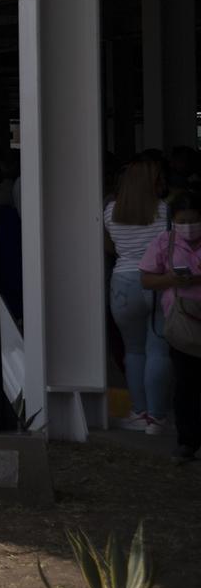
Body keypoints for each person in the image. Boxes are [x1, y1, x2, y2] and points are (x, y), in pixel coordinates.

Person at [106, 156, 172, 432]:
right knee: (158, 350)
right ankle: (156, 418)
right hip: (157, 281)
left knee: (133, 351)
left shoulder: (110, 211)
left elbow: (110, 248)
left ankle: (138, 412)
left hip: (122, 283)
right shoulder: (165, 211)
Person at [139, 191, 201, 461]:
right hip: (182, 323)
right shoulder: (165, 242)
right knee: (186, 384)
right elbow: (147, 279)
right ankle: (187, 441)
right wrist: (172, 279)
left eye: (194, 220)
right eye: (182, 221)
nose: (188, 226)